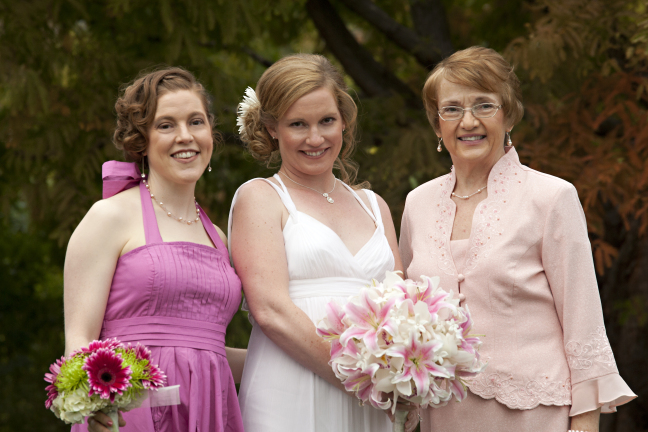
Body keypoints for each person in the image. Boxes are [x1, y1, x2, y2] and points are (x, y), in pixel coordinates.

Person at [399, 46, 637, 432]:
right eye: (453, 109)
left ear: (508, 114)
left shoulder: (552, 197)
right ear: (436, 123)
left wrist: (585, 423)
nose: (468, 121)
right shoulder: (418, 203)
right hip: (444, 414)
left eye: (484, 106)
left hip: (534, 415)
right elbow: (408, 314)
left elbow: (584, 322)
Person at [229, 53, 418, 432]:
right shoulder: (261, 198)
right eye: (298, 124)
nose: (315, 138)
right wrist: (360, 380)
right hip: (294, 387)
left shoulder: (375, 206)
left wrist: (403, 378)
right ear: (271, 127)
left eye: (327, 121)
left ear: (344, 120)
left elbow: (403, 305)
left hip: (373, 399)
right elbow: (271, 312)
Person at [63, 67, 246, 432]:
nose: (185, 136)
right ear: (141, 140)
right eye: (166, 125)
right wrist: (96, 410)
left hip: (210, 409)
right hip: (130, 415)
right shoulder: (109, 217)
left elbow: (204, 352)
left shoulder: (219, 238)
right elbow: (79, 339)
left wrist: (315, 360)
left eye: (196, 122)